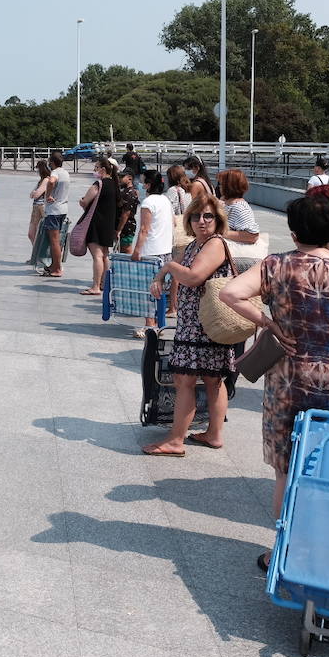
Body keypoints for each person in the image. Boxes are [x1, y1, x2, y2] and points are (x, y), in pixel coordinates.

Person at [219, 196, 329, 568]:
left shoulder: (276, 266)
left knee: (287, 469)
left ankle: (284, 548)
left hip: (289, 384)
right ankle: (328, 552)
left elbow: (230, 292)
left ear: (294, 233)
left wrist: (266, 321)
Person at [141, 193, 242, 455]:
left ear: (218, 219)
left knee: (185, 380)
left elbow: (194, 276)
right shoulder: (196, 244)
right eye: (196, 216)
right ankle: (214, 434)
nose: (202, 220)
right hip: (196, 324)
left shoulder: (215, 244)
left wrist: (167, 268)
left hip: (201, 327)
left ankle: (176, 440)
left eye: (208, 215)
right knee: (212, 380)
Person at [131, 170, 173, 338]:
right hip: (165, 250)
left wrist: (136, 251)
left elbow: (144, 229)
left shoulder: (148, 202)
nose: (140, 185)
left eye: (142, 182)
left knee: (148, 290)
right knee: (160, 290)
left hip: (151, 251)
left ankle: (149, 325)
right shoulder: (165, 200)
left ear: (148, 185)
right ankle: (157, 323)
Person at [79, 158, 120, 296]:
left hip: (96, 223)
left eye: (96, 167)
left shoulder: (99, 184)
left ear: (103, 169)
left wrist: (82, 202)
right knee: (105, 255)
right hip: (108, 225)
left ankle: (95, 286)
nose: (94, 170)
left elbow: (85, 201)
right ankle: (104, 283)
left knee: (97, 255)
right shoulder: (114, 184)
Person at [40, 151, 71, 278]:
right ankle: (55, 265)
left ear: (52, 162)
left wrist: (48, 195)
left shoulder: (55, 172)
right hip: (63, 208)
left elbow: (51, 182)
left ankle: (57, 268)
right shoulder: (65, 173)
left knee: (54, 241)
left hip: (54, 210)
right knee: (57, 240)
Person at [217, 169, 261, 246]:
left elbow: (252, 235)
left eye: (221, 184)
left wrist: (220, 232)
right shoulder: (226, 203)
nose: (219, 187)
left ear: (229, 186)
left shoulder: (240, 208)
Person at [26, 159, 52, 263]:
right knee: (32, 234)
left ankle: (39, 256)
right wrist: (34, 193)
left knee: (36, 233)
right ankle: (37, 255)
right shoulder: (41, 180)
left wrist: (34, 193)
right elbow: (32, 194)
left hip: (41, 207)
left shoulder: (46, 180)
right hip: (36, 207)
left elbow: (35, 194)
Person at [115, 170, 139, 253]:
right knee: (121, 252)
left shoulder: (130, 193)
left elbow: (126, 213)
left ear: (130, 178)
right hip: (125, 227)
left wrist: (119, 230)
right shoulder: (125, 191)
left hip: (127, 227)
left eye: (122, 177)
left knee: (126, 252)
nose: (119, 179)